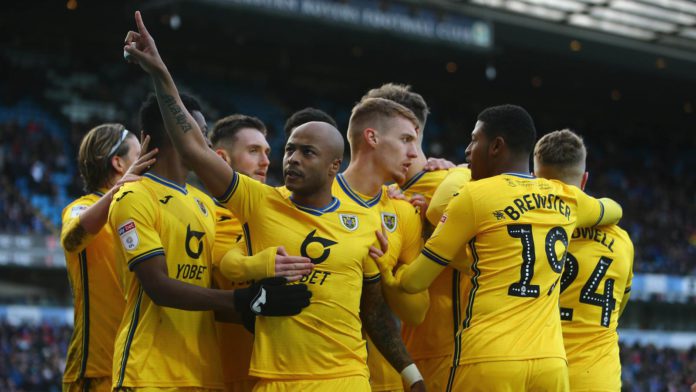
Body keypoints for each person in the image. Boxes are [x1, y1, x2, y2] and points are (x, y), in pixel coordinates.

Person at [123, 11, 421, 392]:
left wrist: (412, 376)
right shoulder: (260, 202)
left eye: (307, 153)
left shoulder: (365, 220)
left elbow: (374, 310)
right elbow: (194, 149)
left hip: (345, 380)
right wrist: (161, 74)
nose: (291, 159)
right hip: (273, 381)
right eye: (290, 150)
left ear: (334, 165)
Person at [375, 104, 623, 391]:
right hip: (551, 364)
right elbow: (612, 209)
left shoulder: (474, 194)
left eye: (474, 140)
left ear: (496, 147)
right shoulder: (565, 196)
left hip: (489, 358)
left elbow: (415, 280)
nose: (468, 149)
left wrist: (389, 269)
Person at [107, 91, 310, 390]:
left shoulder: (204, 204)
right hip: (148, 371)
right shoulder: (133, 196)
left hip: (204, 373)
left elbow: (206, 291)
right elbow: (159, 287)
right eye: (200, 133)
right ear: (176, 133)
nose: (206, 143)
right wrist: (243, 301)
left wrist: (262, 311)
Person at [362, 83, 469, 391]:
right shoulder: (369, 193)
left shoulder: (454, 185)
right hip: (379, 362)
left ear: (412, 131)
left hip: (445, 355)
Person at [208, 114, 313, 392]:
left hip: (285, 375)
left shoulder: (284, 213)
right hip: (222, 375)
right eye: (253, 151)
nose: (266, 161)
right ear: (222, 158)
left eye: (267, 152)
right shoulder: (203, 217)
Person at [533, 129, 634, 391]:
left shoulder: (524, 230)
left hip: (537, 373)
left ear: (534, 179)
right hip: (598, 379)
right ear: (584, 179)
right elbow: (617, 309)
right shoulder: (622, 241)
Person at [61, 124, 156, 392]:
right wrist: (120, 189)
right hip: (95, 370)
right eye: (140, 154)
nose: (148, 161)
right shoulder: (82, 207)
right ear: (118, 163)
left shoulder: (140, 212)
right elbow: (71, 237)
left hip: (136, 369)